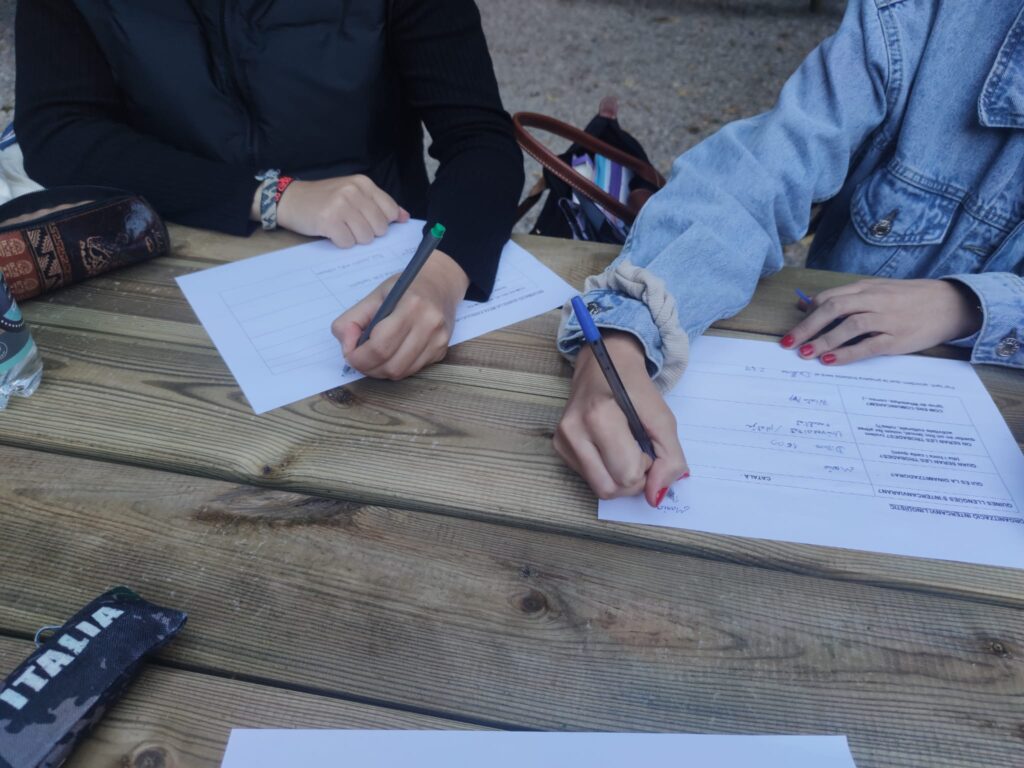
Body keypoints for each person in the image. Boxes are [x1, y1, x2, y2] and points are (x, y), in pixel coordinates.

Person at [554, 0, 1024, 507]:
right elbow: (762, 171)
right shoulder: (927, 14)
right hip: (818, 390)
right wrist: (626, 331)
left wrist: (971, 305)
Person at [14, 0, 524, 381]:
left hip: (377, 248)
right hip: (167, 259)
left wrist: (441, 274)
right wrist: (269, 195)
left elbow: (480, 140)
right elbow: (56, 132)